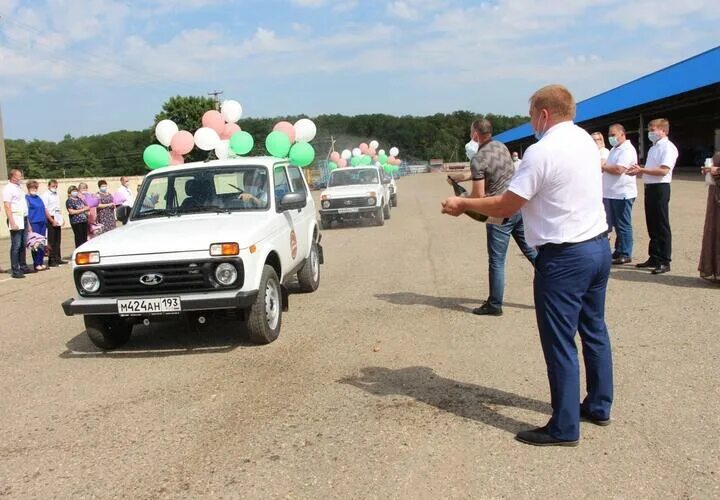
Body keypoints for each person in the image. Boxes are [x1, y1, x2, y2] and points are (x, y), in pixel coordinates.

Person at [441, 85, 613, 446]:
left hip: (565, 256)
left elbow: (506, 205)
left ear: (544, 114)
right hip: (597, 247)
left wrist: (462, 205)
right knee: (594, 329)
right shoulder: (585, 140)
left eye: (532, 115)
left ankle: (564, 426)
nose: (531, 121)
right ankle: (598, 404)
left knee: (560, 341)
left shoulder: (541, 151)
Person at [449, 119, 536, 316]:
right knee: (531, 252)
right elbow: (490, 170)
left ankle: (495, 304)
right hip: (516, 206)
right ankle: (553, 286)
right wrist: (460, 177)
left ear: (475, 135)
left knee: (496, 261)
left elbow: (479, 197)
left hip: (498, 212)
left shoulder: (478, 158)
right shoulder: (501, 146)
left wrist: (461, 199)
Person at [627, 118, 679, 274]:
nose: (650, 133)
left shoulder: (668, 148)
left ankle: (664, 260)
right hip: (650, 187)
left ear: (663, 130)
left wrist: (642, 170)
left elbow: (663, 170)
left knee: (661, 224)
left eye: (653, 130)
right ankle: (654, 256)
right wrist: (641, 169)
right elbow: (651, 168)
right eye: (649, 129)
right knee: (652, 223)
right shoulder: (654, 148)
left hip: (660, 187)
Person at [601, 124, 638, 265]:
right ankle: (619, 249)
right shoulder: (614, 149)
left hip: (622, 192)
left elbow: (619, 169)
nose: (611, 137)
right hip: (612, 193)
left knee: (623, 224)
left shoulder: (627, 150)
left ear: (623, 134)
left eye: (613, 134)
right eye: (610, 134)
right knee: (616, 224)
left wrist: (603, 166)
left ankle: (626, 252)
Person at [2, 169, 31, 278]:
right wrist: (12, 222)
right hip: (15, 218)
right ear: (13, 177)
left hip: (23, 217)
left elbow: (23, 205)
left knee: (23, 244)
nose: (21, 177)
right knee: (16, 245)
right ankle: (15, 269)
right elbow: (7, 206)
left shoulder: (19, 188)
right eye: (19, 176)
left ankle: (23, 266)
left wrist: (28, 222)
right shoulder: (8, 189)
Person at [699, 152, 720, 282]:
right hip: (715, 197)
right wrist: (708, 171)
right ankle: (716, 270)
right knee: (715, 232)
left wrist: (717, 170)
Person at [25, 180, 51, 271]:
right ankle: (36, 263)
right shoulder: (27, 198)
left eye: (35, 187)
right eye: (32, 187)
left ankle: (41, 262)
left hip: (42, 222)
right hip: (34, 223)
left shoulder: (38, 198)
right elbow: (26, 213)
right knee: (35, 243)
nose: (34, 189)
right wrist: (29, 225)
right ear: (28, 188)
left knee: (42, 243)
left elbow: (43, 209)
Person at [41, 179, 65, 267]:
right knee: (51, 239)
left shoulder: (56, 195)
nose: (54, 188)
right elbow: (45, 209)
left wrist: (61, 218)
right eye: (53, 186)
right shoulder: (46, 195)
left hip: (57, 216)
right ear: (49, 186)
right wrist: (51, 220)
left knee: (57, 239)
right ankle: (51, 260)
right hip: (50, 217)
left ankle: (58, 257)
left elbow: (57, 207)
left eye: (56, 186)